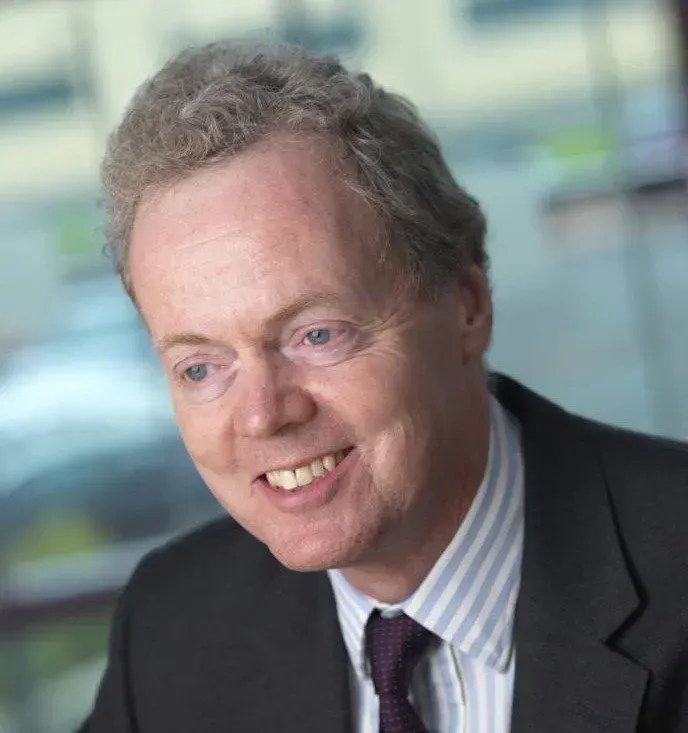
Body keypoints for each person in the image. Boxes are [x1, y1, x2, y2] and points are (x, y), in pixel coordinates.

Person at [79, 42, 688, 733]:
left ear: (467, 304)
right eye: (200, 367)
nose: (262, 415)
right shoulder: (173, 631)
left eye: (316, 334)